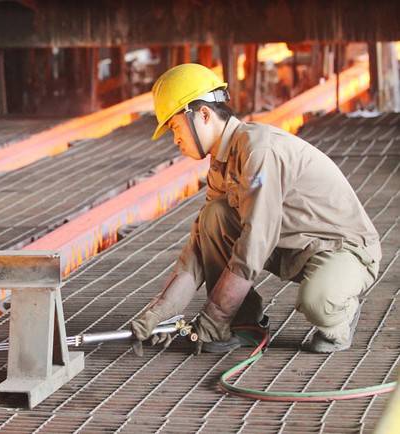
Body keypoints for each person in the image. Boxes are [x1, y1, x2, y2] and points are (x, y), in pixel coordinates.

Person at [130, 63, 381, 355]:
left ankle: (341, 316)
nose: (176, 140)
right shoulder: (222, 163)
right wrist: (160, 312)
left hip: (343, 249)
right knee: (214, 217)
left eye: (175, 127)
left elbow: (255, 241)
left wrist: (213, 316)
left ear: (204, 115)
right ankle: (243, 323)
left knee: (318, 302)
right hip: (294, 244)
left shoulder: (258, 152)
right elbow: (199, 248)